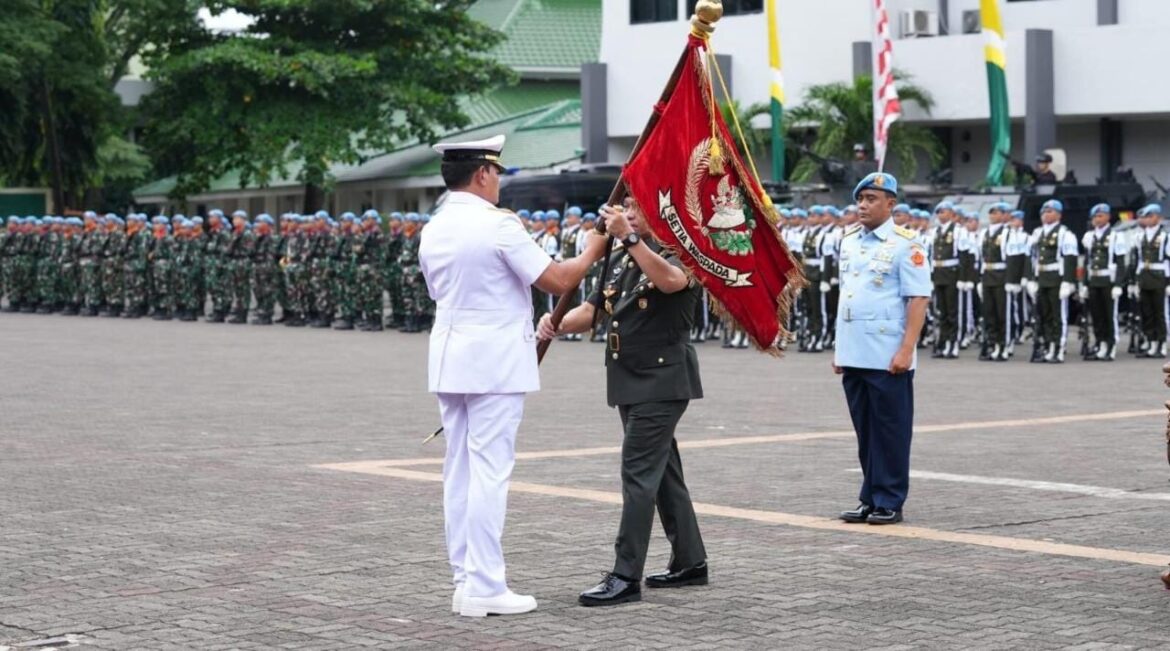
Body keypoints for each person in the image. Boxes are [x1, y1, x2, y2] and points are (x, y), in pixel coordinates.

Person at [419, 134, 606, 618]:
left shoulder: (434, 226)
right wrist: (593, 250)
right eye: (497, 172)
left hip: (451, 358)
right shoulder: (498, 225)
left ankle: (465, 580)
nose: (499, 181)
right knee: (488, 473)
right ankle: (485, 584)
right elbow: (558, 280)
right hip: (494, 363)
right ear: (482, 173)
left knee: (458, 471)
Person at [539, 196, 708, 608]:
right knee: (663, 472)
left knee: (637, 476)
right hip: (629, 378)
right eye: (626, 207)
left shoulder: (683, 252)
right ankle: (690, 561)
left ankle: (625, 574)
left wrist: (629, 237)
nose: (628, 214)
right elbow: (596, 310)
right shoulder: (622, 257)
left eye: (637, 207)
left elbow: (670, 281)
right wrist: (555, 324)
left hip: (662, 380)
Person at [833, 172, 931, 526]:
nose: (863, 205)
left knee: (890, 429)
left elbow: (918, 299)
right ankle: (870, 496)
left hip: (888, 353)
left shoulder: (907, 244)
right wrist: (839, 349)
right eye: (860, 198)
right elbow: (849, 294)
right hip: (855, 350)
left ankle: (890, 499)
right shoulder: (849, 240)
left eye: (872, 199)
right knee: (865, 430)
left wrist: (907, 350)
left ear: (891, 204)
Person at [1026, 199, 1079, 363]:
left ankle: (1058, 347)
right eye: (1044, 212)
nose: (1045, 215)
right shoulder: (1037, 233)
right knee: (1044, 315)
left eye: (1050, 211)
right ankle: (1048, 346)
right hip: (1041, 278)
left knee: (1058, 316)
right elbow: (1031, 258)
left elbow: (1070, 258)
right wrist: (1031, 279)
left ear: (1059, 215)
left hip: (1056, 278)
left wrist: (1068, 282)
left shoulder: (1065, 234)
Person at [1081, 204, 1127, 360]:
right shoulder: (1089, 236)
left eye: (1100, 216)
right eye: (1094, 217)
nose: (1096, 219)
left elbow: (1121, 262)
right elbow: (1087, 262)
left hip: (1108, 281)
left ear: (1108, 217)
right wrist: (1084, 284)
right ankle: (1101, 343)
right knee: (1097, 316)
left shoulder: (1115, 236)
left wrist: (1118, 285)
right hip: (1094, 280)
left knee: (1109, 316)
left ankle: (1111, 345)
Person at [1131, 203, 1170, 358]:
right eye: (1146, 216)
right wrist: (1135, 281)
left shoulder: (1165, 237)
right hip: (1145, 277)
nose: (1148, 219)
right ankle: (1151, 342)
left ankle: (1161, 343)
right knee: (1147, 312)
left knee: (1160, 312)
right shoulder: (1139, 236)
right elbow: (1137, 261)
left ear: (1158, 218)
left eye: (1151, 216)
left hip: (1159, 277)